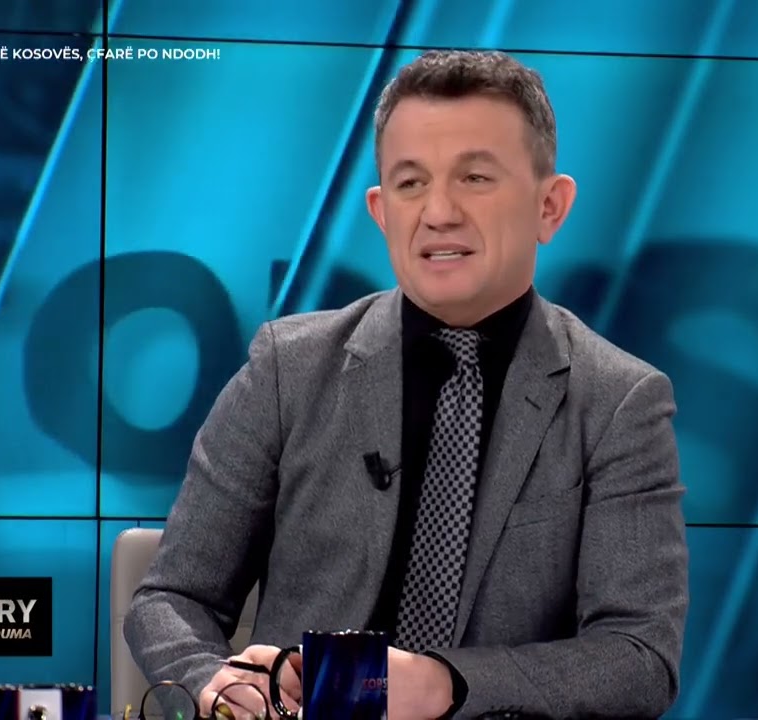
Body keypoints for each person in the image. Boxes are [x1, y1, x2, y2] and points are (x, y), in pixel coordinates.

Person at [124, 49, 689, 720]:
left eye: (475, 177)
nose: (438, 212)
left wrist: (444, 683)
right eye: (410, 182)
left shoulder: (619, 402)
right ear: (381, 210)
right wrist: (213, 681)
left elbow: (639, 658)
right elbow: (172, 598)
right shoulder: (287, 369)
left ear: (549, 206)